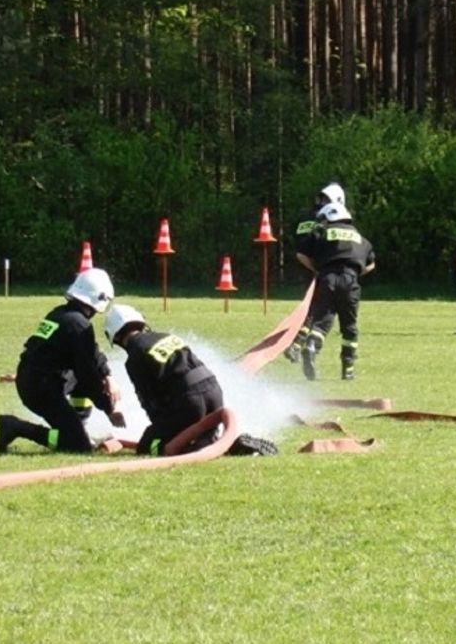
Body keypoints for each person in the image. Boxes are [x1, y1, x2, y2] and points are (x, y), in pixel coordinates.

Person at [104, 304, 277, 456]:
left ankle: (229, 446)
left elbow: (149, 399)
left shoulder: (135, 356)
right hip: (214, 391)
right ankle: (235, 445)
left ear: (117, 337)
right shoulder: (166, 336)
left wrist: (160, 429)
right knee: (205, 436)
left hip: (189, 399)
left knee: (150, 445)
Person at [0, 267, 124, 454]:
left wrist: (108, 375)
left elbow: (92, 352)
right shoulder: (78, 324)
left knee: (81, 386)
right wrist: (108, 407)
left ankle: (79, 425)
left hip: (34, 380)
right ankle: (15, 426)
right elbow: (87, 373)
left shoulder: (62, 314)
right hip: (41, 390)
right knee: (78, 446)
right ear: (100, 298)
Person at [296, 202, 376, 380]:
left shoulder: (320, 232)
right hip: (351, 280)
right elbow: (371, 264)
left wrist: (316, 270)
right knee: (349, 327)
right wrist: (355, 272)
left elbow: (301, 254)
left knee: (322, 320)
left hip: (327, 278)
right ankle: (348, 369)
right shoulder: (360, 238)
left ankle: (311, 345)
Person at [284, 182, 347, 363]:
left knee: (312, 307)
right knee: (323, 310)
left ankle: (298, 343)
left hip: (302, 265)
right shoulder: (325, 219)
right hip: (321, 268)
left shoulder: (305, 218)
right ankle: (297, 345)